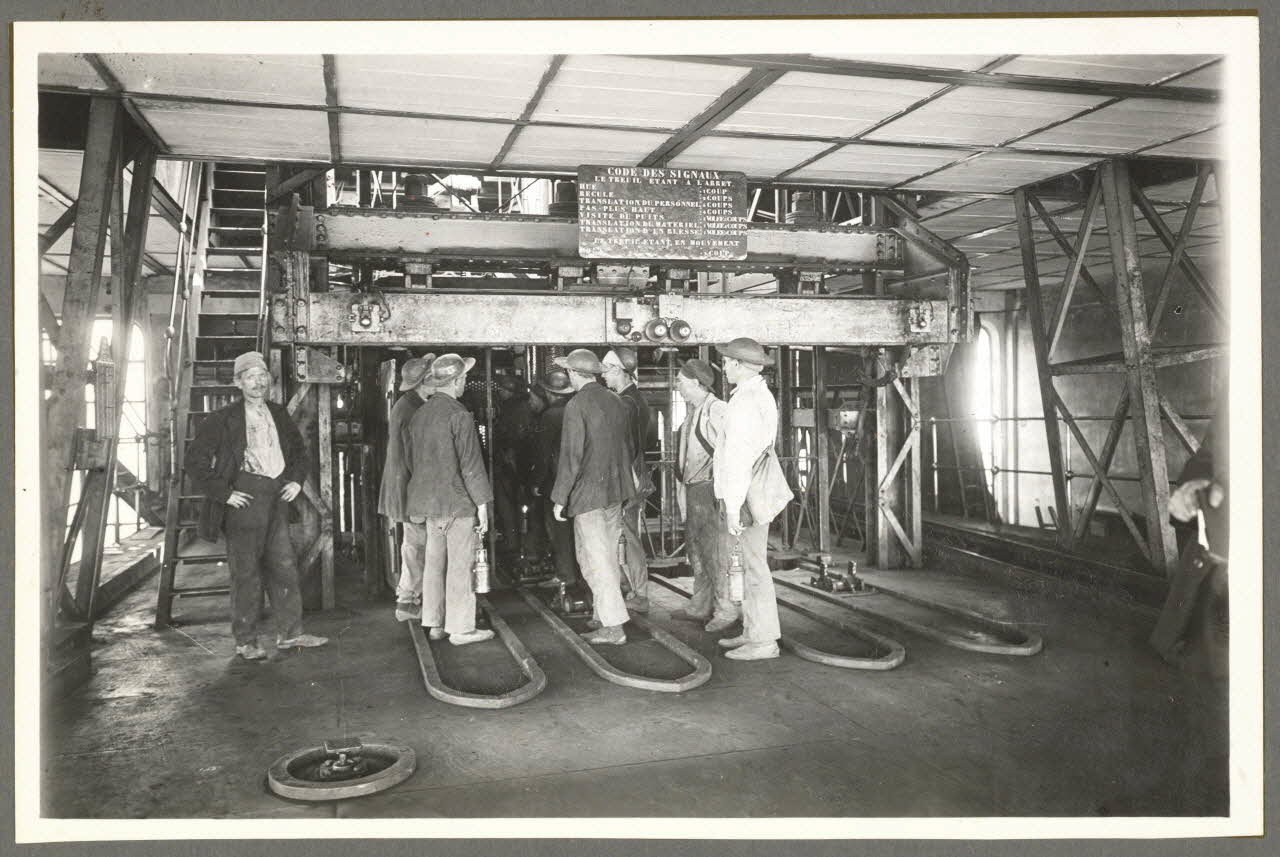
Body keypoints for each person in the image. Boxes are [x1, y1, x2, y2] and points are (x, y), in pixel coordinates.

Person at [185, 351, 328, 661]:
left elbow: (300, 454)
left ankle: (290, 634)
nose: (258, 382)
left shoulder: (278, 414)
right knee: (246, 573)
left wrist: (295, 480)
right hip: (243, 501)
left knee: (284, 567)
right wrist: (224, 494)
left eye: (262, 376)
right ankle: (246, 641)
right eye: (250, 377)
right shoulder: (223, 419)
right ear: (239, 382)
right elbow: (194, 462)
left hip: (276, 498)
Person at [404, 353, 495, 646]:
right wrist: (482, 505)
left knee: (434, 563)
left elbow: (411, 462)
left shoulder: (419, 415)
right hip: (456, 503)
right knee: (459, 565)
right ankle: (461, 628)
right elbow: (471, 465)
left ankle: (435, 623)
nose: (464, 383)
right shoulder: (459, 414)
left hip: (428, 504)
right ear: (456, 381)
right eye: (464, 379)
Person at [713, 337, 793, 661]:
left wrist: (732, 507)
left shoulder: (746, 402)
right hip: (748, 491)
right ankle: (752, 630)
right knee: (746, 565)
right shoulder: (751, 396)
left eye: (728, 362)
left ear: (739, 366)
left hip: (746, 495)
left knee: (754, 567)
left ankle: (763, 642)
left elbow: (739, 459)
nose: (725, 367)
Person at [550, 348, 637, 644]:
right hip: (615, 492)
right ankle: (602, 614)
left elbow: (571, 456)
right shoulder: (615, 400)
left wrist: (560, 497)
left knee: (595, 560)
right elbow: (625, 447)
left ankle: (613, 627)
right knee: (603, 557)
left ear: (574, 374)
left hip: (589, 495)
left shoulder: (577, 406)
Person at [670, 358, 740, 633]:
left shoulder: (717, 410)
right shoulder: (695, 411)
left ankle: (726, 609)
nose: (677, 386)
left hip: (709, 491)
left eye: (681, 381)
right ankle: (700, 605)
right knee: (698, 551)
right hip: (694, 490)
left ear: (698, 384)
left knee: (717, 554)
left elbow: (731, 453)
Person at [377, 354, 435, 622]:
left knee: (414, 544)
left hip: (404, 487)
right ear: (424, 381)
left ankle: (409, 599)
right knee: (417, 545)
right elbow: (415, 459)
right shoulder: (413, 411)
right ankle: (409, 602)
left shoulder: (407, 404)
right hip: (409, 490)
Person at [601, 346, 652, 613]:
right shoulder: (633, 399)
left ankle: (639, 593)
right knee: (629, 535)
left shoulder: (626, 403)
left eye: (607, 371)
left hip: (628, 477)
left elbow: (627, 446)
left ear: (620, 371)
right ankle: (632, 588)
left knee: (629, 536)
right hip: (633, 475)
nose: (604, 377)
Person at [530, 367, 581, 592]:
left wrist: (537, 483)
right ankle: (577, 574)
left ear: (549, 393)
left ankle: (565, 575)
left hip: (555, 483)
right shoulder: (576, 410)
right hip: (578, 482)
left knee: (558, 531)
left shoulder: (549, 416)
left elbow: (542, 454)